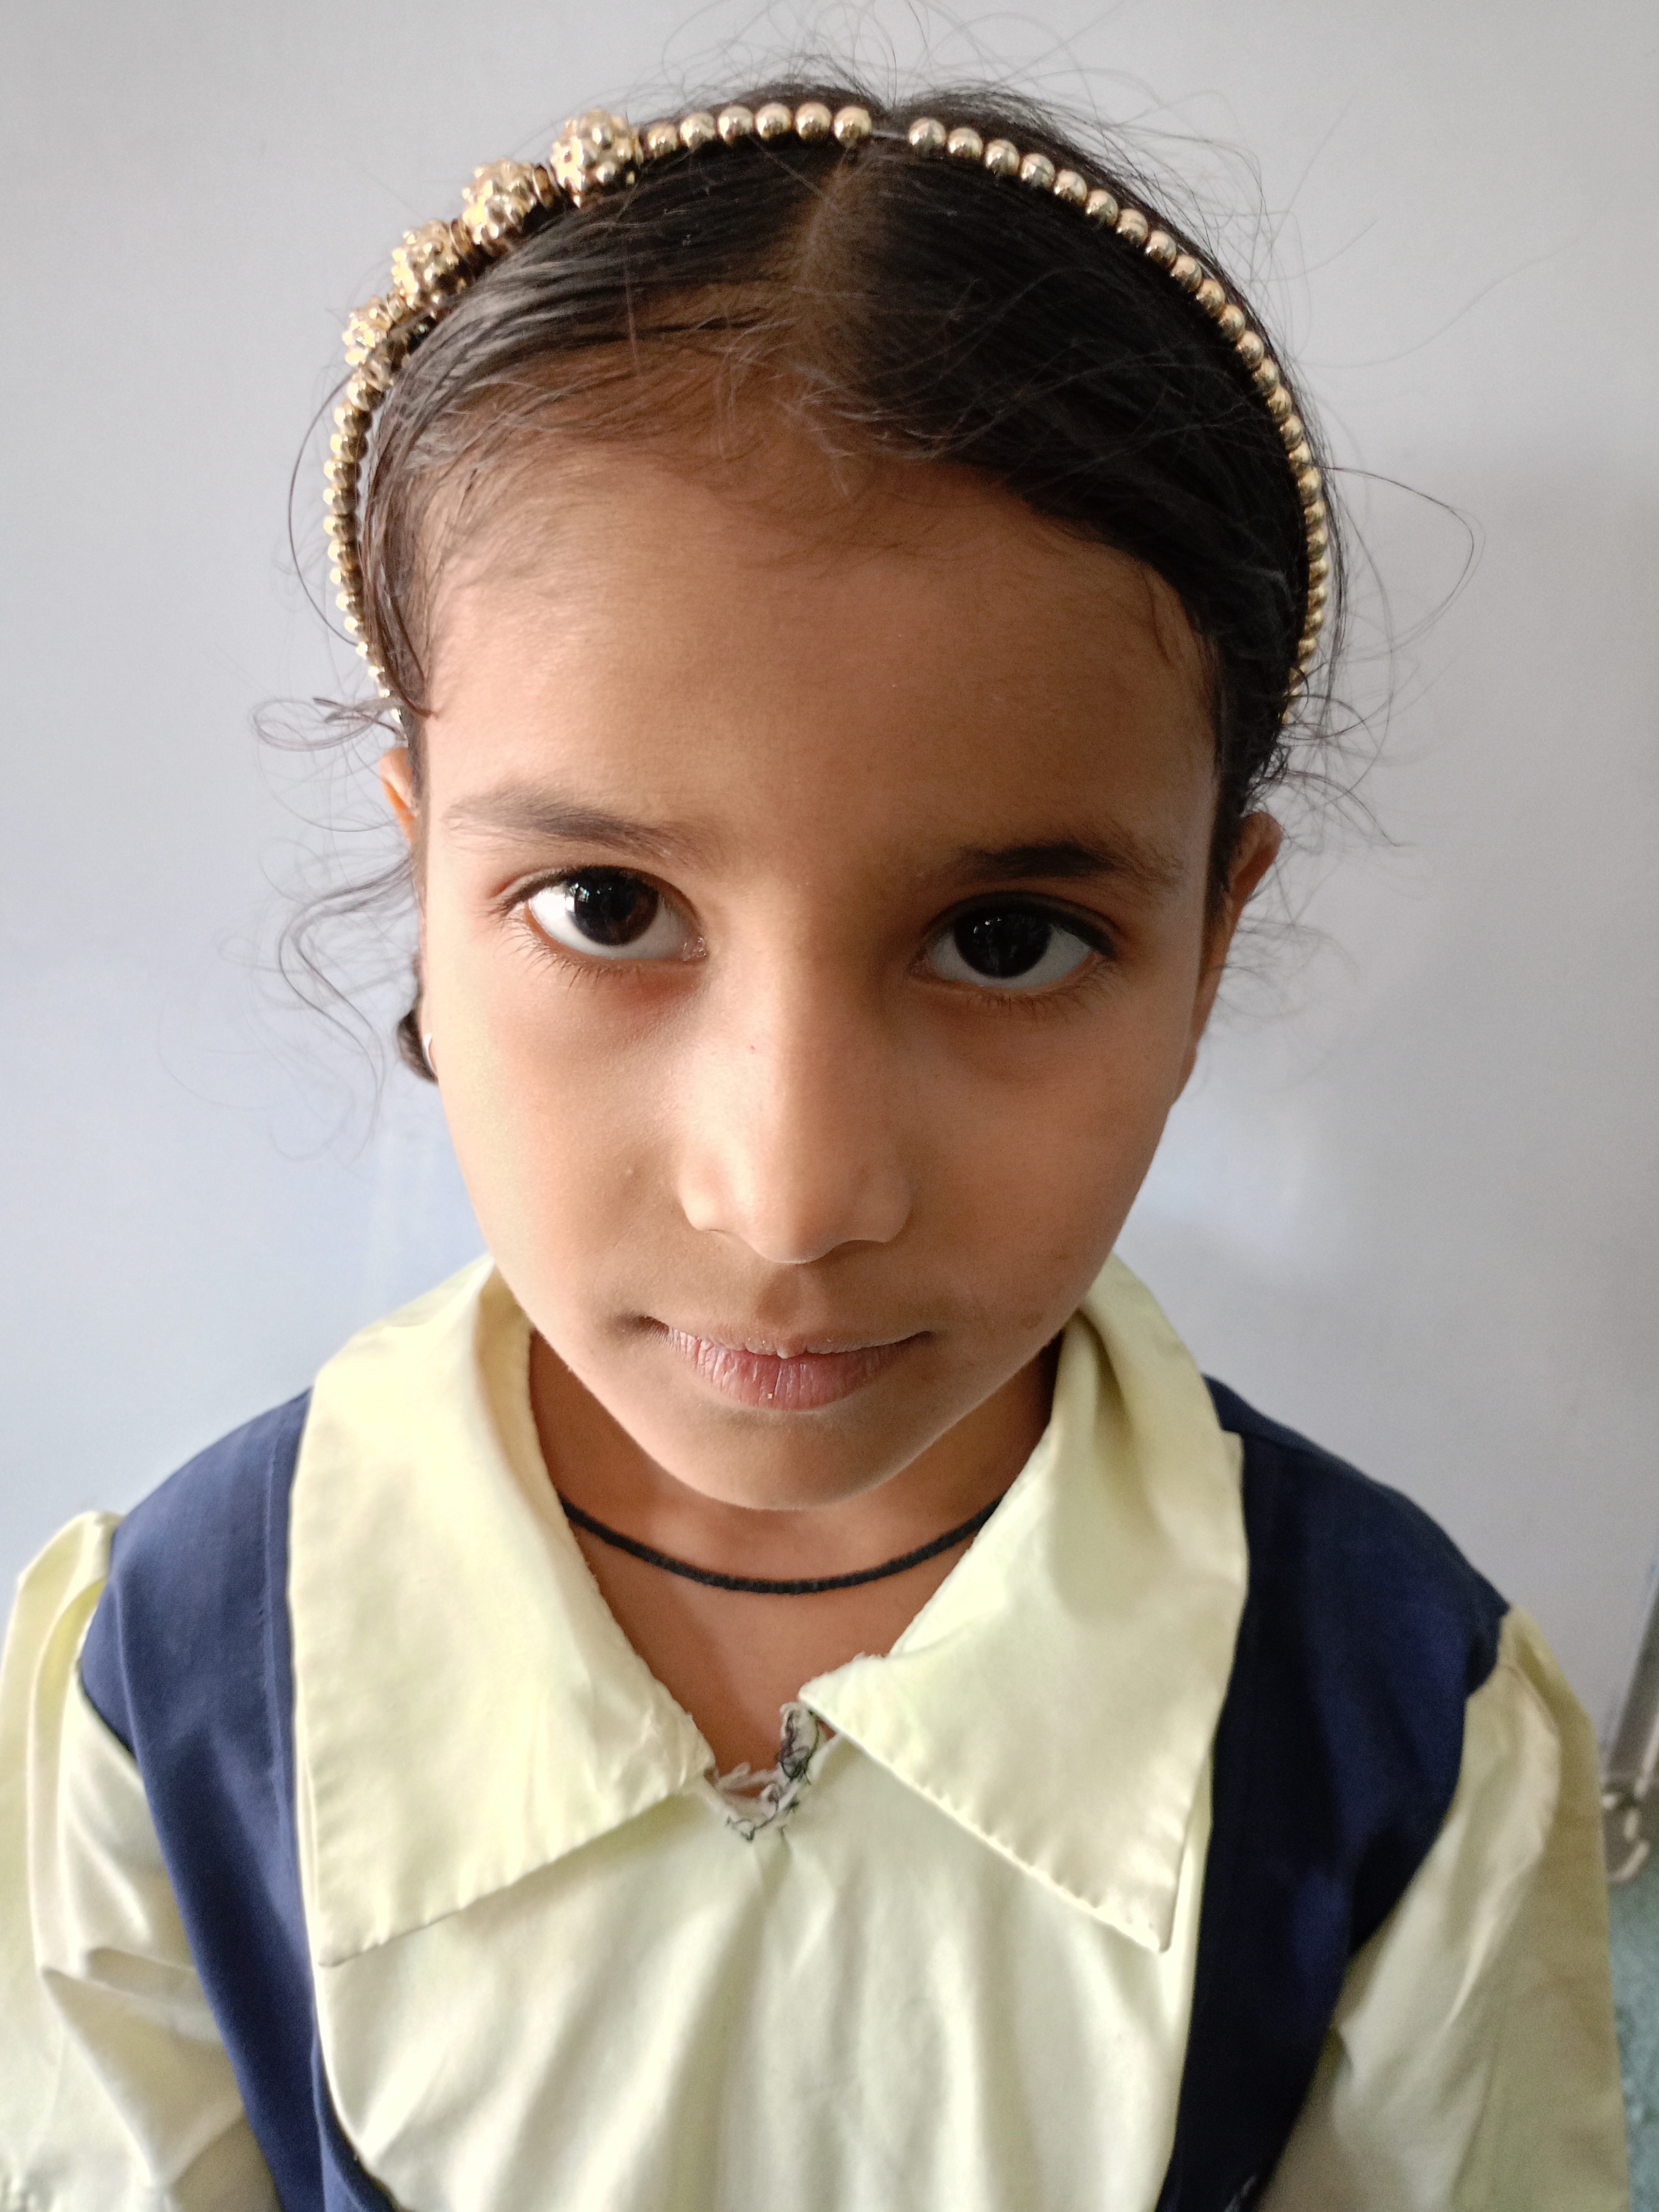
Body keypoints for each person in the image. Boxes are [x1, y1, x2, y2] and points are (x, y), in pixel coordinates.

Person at [0, 77, 1630, 2212]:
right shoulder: (169, 1683)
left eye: (1006, 938)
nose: (787, 1197)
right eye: (607, 908)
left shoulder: (1405, 1732)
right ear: (423, 884)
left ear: (1210, 944)